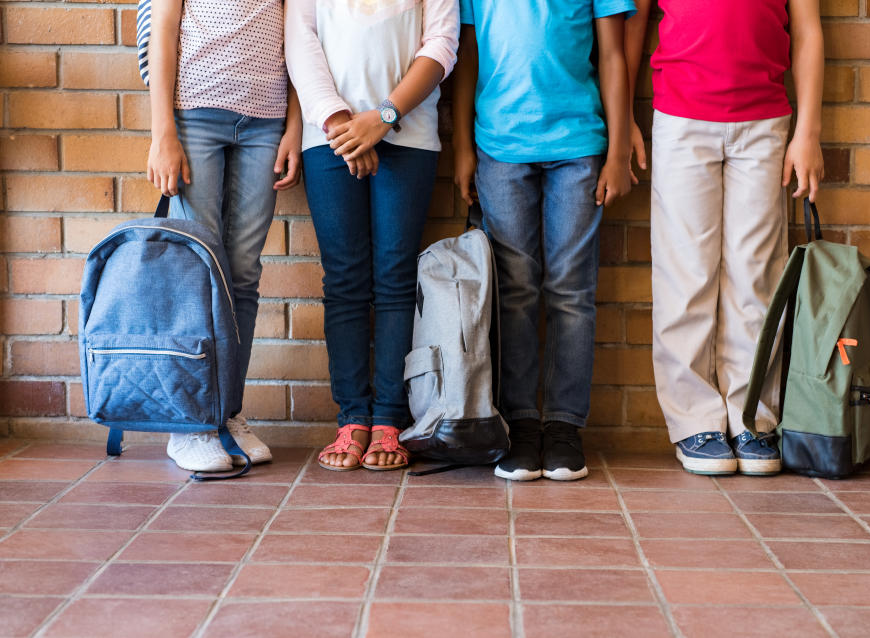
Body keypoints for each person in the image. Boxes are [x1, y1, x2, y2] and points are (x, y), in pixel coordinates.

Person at [626, 0, 825, 475]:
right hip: (681, 120)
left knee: (755, 275)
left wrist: (808, 132)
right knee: (686, 274)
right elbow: (633, 21)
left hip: (764, 124)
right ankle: (694, 419)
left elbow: (808, 29)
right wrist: (624, 119)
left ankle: (751, 415)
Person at [453, 0, 636, 481]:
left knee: (572, 291)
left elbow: (613, 55)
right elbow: (467, 55)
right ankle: (521, 424)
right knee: (515, 292)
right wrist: (462, 149)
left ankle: (563, 425)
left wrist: (618, 154)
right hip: (500, 149)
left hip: (577, 149)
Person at [286, 0, 459, 471]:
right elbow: (301, 44)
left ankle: (388, 418)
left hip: (408, 137)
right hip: (329, 139)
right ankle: (352, 417)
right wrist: (341, 123)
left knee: (396, 280)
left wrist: (381, 118)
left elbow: (442, 46)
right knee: (344, 281)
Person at [147, 0, 302, 472]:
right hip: (195, 114)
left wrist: (294, 127)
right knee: (198, 274)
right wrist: (162, 131)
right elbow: (164, 28)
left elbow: (299, 37)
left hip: (266, 124)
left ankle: (226, 412)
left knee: (242, 276)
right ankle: (191, 423)